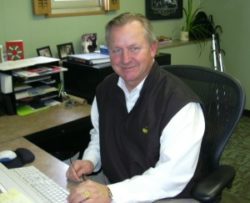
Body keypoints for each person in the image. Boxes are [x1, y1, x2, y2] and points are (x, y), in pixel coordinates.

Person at [66, 12, 205, 203]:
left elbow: (171, 177)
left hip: (167, 196)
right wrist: (90, 160)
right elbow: (100, 135)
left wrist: (112, 193)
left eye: (134, 48)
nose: (125, 59)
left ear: (153, 49)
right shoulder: (105, 90)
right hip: (115, 185)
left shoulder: (180, 104)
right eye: (116, 50)